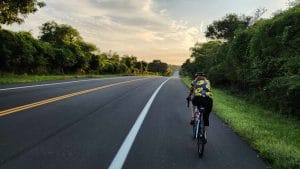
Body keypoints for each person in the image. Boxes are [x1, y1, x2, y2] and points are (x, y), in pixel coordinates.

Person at [187, 72, 213, 141]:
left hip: (198, 98)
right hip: (208, 100)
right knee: (206, 117)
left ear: (196, 77)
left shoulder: (194, 81)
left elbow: (191, 91)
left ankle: (193, 117)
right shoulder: (208, 81)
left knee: (192, 103)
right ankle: (204, 135)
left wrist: (189, 96)